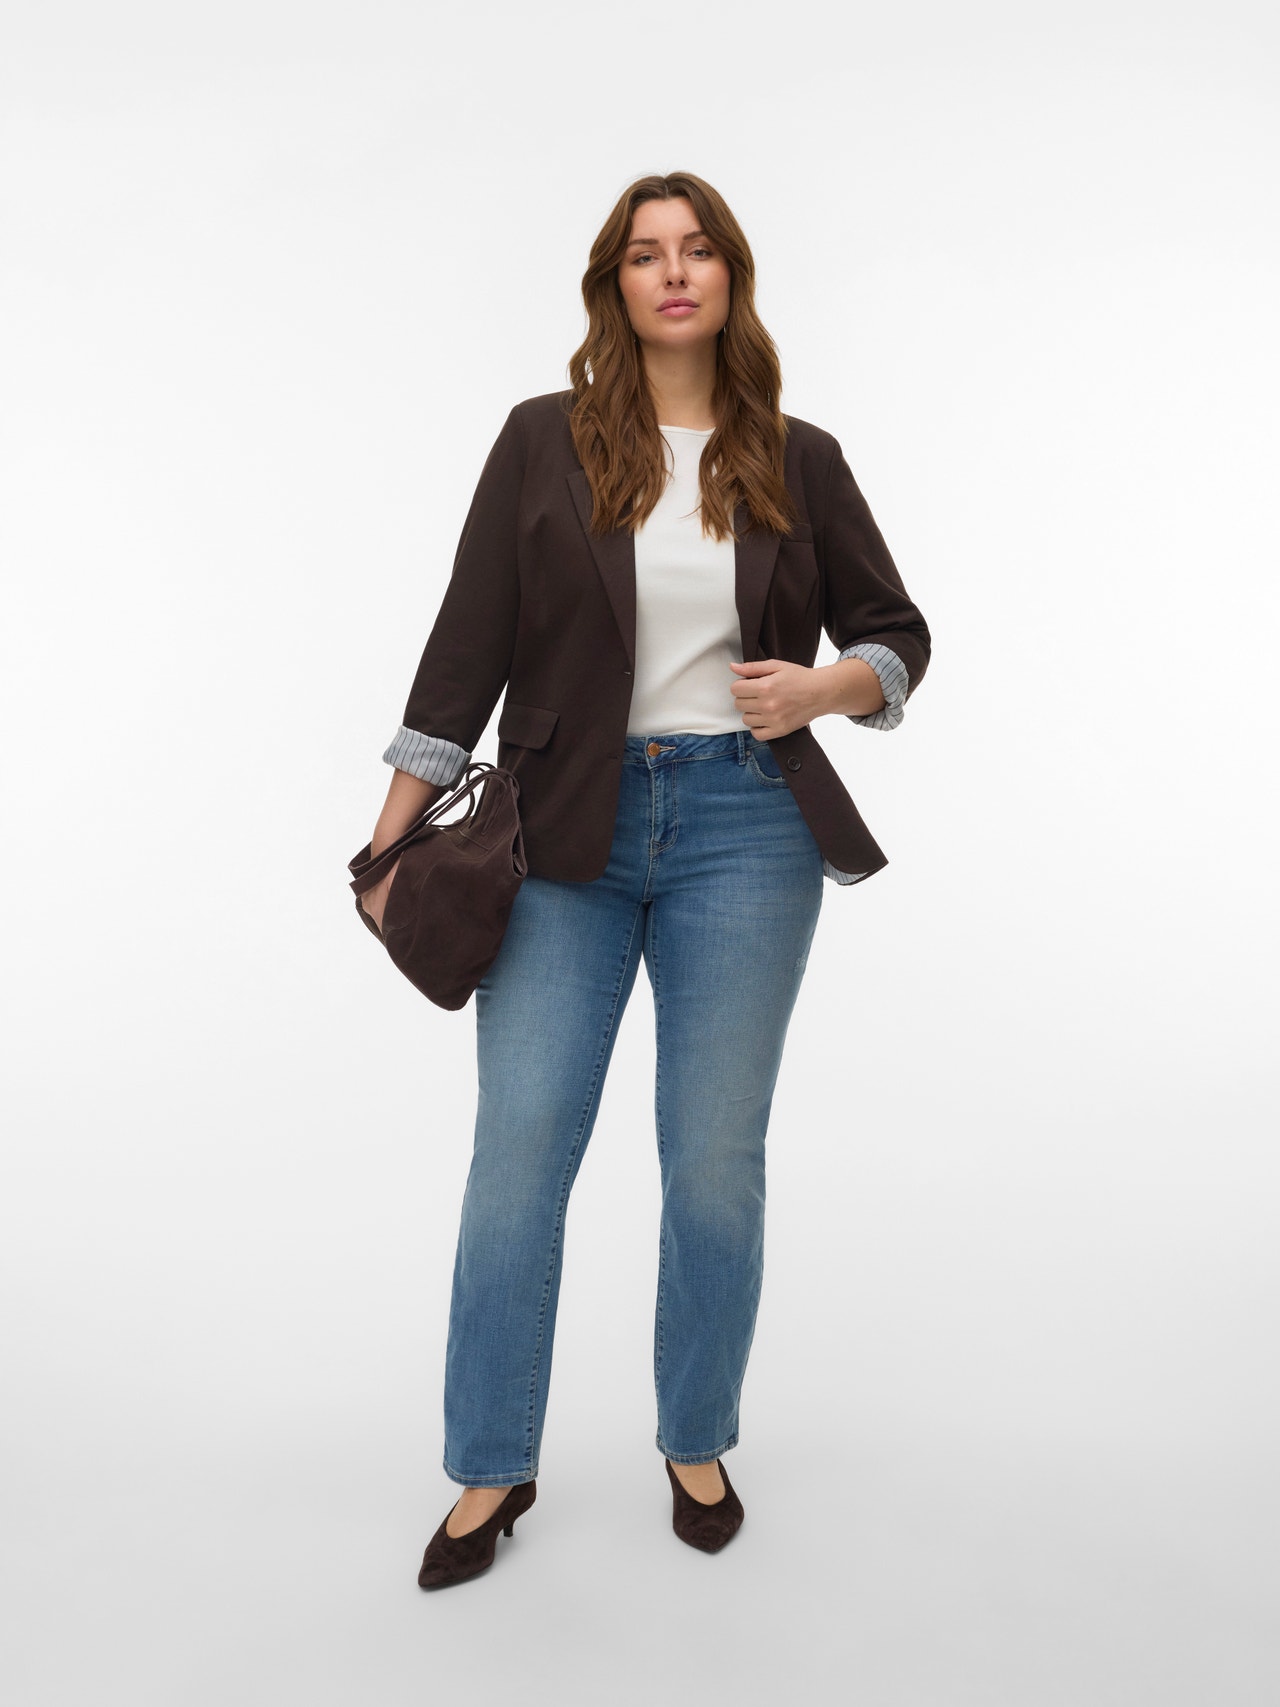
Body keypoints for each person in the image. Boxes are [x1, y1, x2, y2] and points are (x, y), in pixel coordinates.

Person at [358, 171, 931, 1589]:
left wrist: (821, 688)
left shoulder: (800, 458)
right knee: (518, 1157)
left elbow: (899, 636)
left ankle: (696, 1437)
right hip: (565, 835)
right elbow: (465, 647)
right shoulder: (542, 441)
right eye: (643, 255)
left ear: (731, 277)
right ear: (613, 286)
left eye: (697, 250)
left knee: (714, 1167)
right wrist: (387, 844)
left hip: (748, 829)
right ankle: (492, 1464)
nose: (672, 273)